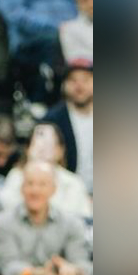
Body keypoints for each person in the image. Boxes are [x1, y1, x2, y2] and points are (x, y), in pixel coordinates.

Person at [0, 123, 92, 222]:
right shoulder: (16, 177)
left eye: (48, 145)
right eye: (36, 144)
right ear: (27, 149)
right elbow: (6, 211)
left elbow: (83, 220)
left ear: (60, 150)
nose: (42, 150)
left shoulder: (73, 183)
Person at [44, 59, 93, 187]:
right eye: (73, 80)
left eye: (86, 80)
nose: (79, 86)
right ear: (64, 85)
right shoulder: (52, 120)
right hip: (64, 191)